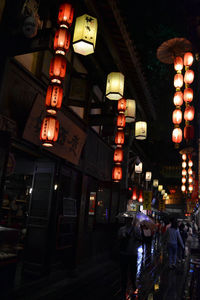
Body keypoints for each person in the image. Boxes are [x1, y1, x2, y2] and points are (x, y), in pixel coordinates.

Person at [118, 216, 141, 299]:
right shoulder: (122, 229)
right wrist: (123, 237)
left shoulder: (136, 229)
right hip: (125, 252)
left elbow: (140, 239)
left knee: (132, 270)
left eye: (129, 220)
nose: (128, 221)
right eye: (127, 220)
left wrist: (135, 236)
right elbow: (118, 239)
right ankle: (124, 286)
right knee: (124, 270)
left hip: (132, 253)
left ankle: (132, 284)